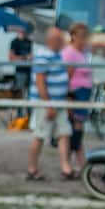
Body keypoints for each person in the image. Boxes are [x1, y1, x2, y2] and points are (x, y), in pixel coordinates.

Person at [26, 24, 71, 181]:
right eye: (61, 39)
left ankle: (66, 168)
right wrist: (48, 104)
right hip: (46, 104)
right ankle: (32, 169)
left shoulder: (57, 55)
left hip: (59, 103)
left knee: (64, 134)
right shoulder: (42, 56)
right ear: (53, 40)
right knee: (40, 135)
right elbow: (40, 82)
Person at [62, 22, 93, 169]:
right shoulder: (70, 53)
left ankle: (77, 164)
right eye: (82, 36)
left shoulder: (82, 53)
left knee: (77, 129)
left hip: (83, 93)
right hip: (75, 94)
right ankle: (74, 164)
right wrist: (68, 96)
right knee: (75, 129)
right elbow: (67, 76)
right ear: (73, 36)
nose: (84, 40)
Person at [7, 24, 33, 122]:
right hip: (20, 72)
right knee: (19, 94)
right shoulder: (14, 42)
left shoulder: (29, 42)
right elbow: (11, 57)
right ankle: (19, 115)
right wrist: (24, 58)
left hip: (29, 70)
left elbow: (31, 56)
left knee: (30, 94)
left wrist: (28, 58)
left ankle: (30, 116)